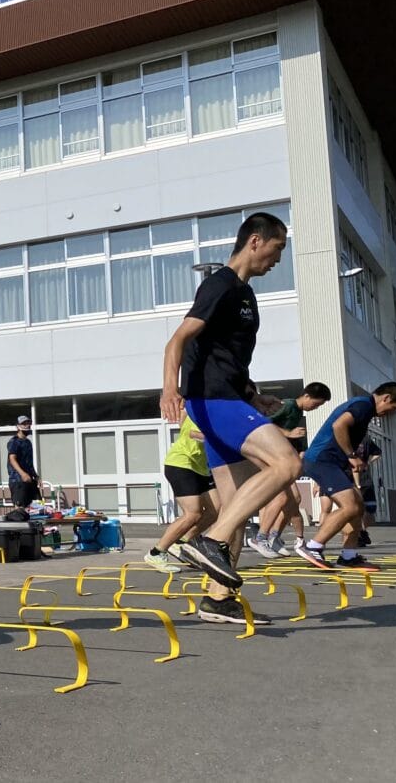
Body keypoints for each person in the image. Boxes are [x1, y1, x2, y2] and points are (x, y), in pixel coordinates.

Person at [160, 212, 297, 624]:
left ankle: (218, 599)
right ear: (256, 241)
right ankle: (210, 540)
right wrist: (170, 387)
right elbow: (179, 338)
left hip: (230, 397)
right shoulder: (219, 283)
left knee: (236, 505)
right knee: (288, 463)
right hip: (212, 401)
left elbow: (227, 356)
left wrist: (254, 395)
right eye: (277, 249)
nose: (277, 259)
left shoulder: (245, 295)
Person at [294, 383, 396, 571]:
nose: (391, 412)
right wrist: (351, 456)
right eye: (393, 408)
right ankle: (313, 547)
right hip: (323, 460)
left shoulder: (365, 408)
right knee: (350, 506)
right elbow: (340, 425)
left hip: (333, 463)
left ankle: (349, 556)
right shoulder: (364, 405)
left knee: (358, 506)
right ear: (386, 398)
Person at [249, 382, 331, 558]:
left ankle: (273, 536)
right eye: (316, 404)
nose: (315, 408)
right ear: (306, 396)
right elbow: (262, 423)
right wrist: (287, 433)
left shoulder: (297, 411)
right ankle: (261, 537)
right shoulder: (288, 405)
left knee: (294, 499)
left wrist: (299, 449)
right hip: (270, 455)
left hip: (282, 457)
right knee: (284, 497)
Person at [145, 414, 219, 574]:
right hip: (181, 464)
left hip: (201, 468)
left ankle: (181, 542)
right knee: (193, 513)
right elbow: (193, 433)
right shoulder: (201, 409)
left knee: (216, 510)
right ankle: (156, 552)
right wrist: (219, 439)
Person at [7, 415, 39, 508]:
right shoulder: (14, 442)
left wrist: (36, 476)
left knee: (32, 508)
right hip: (17, 480)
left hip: (28, 480)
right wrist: (23, 474)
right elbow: (12, 459)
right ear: (18, 426)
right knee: (19, 509)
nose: (27, 425)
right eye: (23, 423)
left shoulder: (28, 442)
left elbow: (29, 462)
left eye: (28, 423)